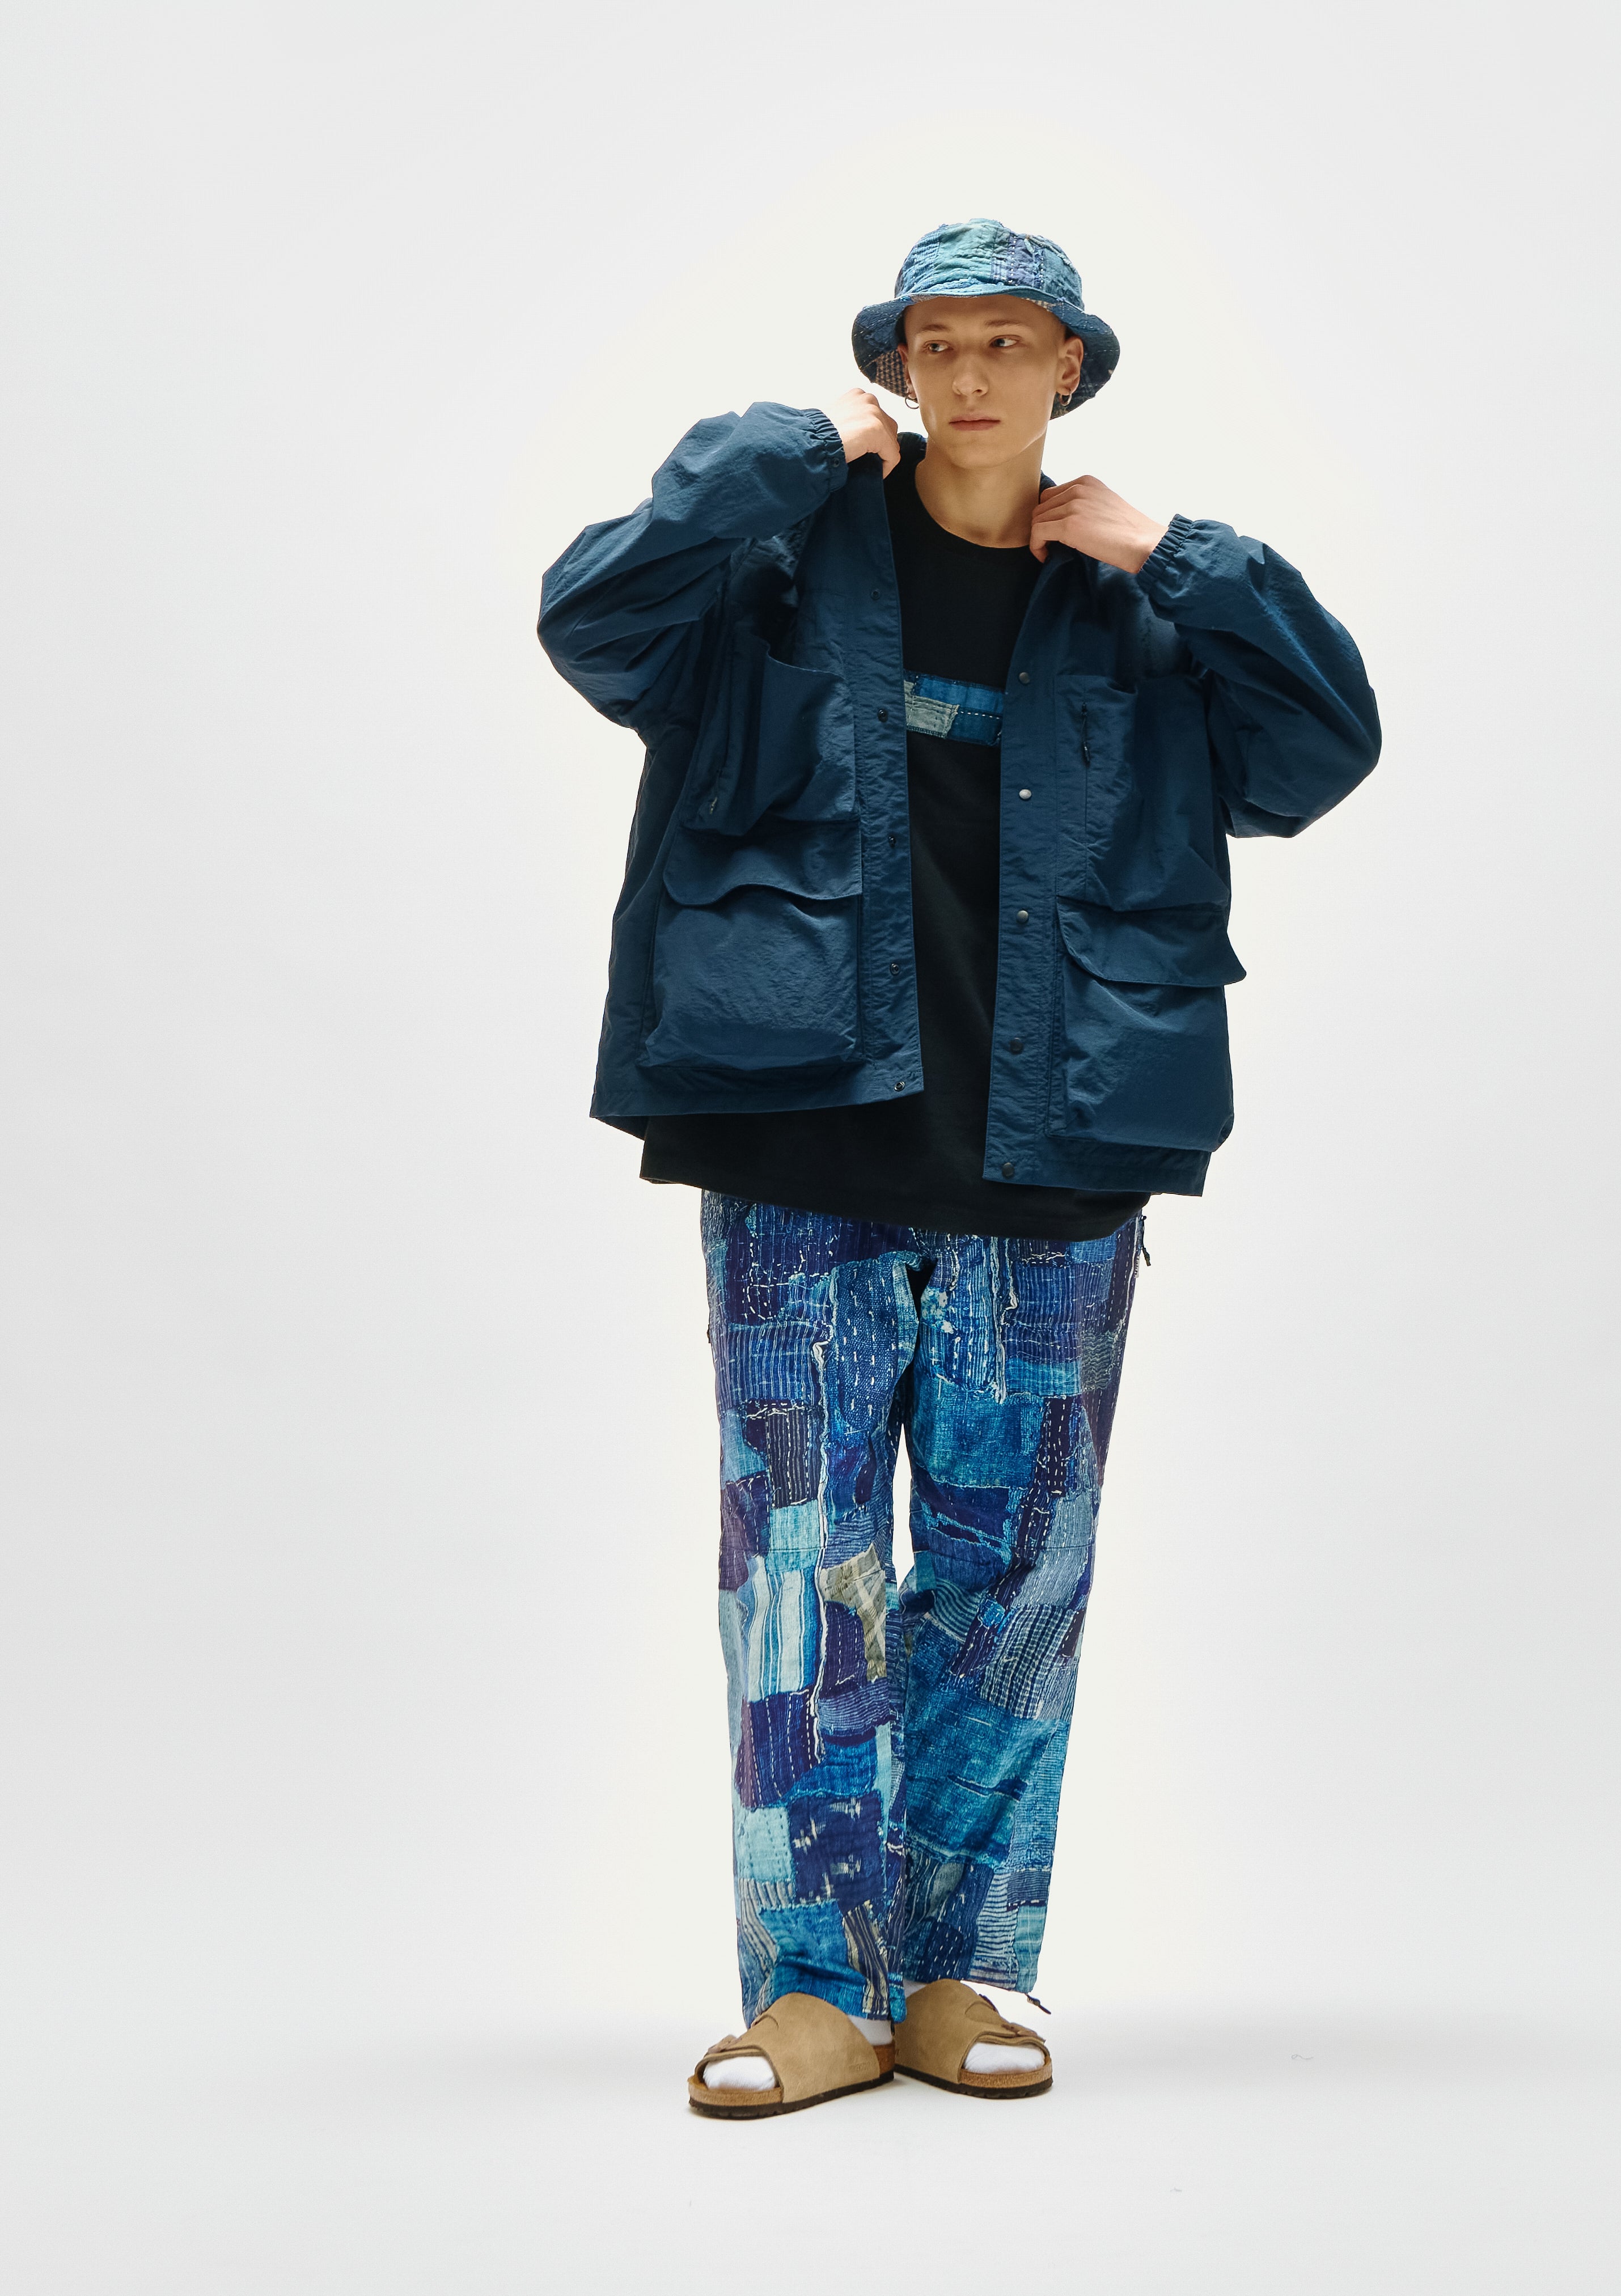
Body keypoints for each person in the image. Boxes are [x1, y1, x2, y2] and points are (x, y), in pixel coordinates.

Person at [537, 219, 1380, 2116]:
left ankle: (951, 1973)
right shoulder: (770, 564)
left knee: (1011, 1584)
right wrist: (780, 453)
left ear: (1071, 367)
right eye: (940, 341)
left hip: (1057, 1148)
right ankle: (810, 1989)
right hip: (801, 1140)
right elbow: (591, 619)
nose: (973, 374)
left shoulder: (1142, 608)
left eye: (1011, 341)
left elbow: (1321, 752)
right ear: (896, 365)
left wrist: (1185, 557)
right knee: (802, 1571)